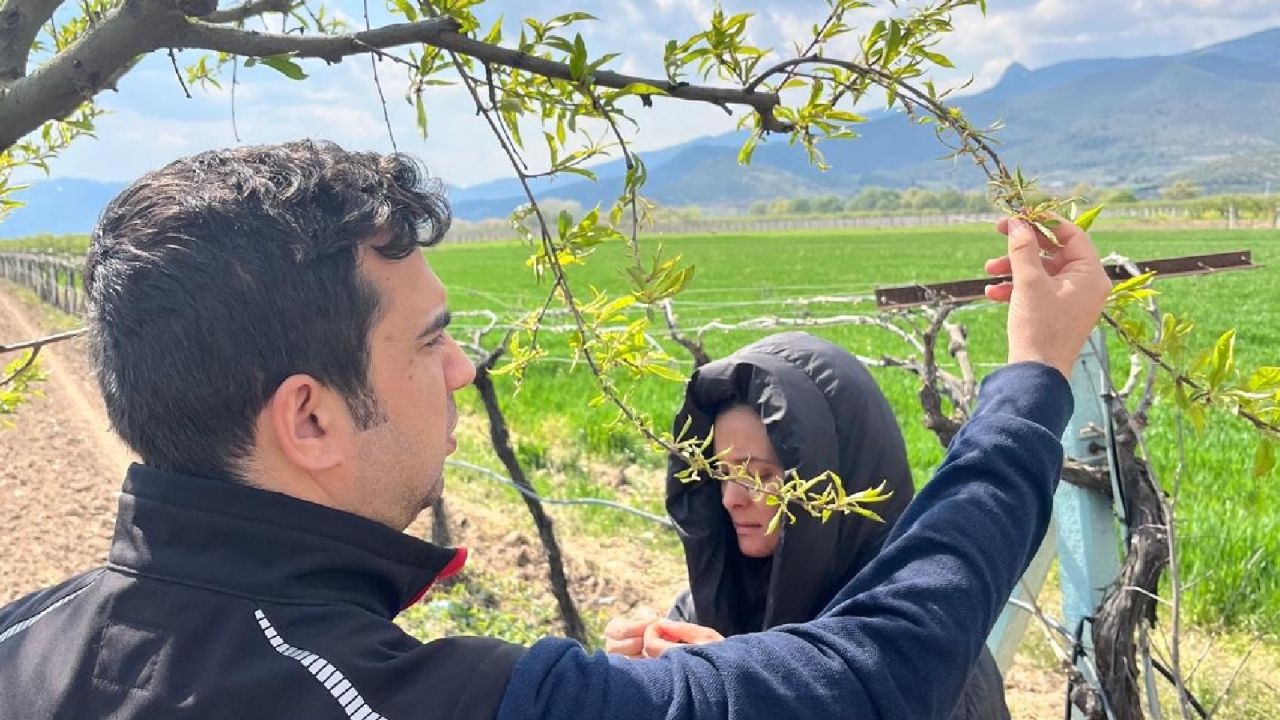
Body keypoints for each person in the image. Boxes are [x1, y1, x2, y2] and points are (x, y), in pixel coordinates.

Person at [0, 140, 1111, 720]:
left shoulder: (27, 639)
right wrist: (1032, 374)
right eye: (429, 340)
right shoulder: (394, 696)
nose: (462, 366)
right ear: (310, 416)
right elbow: (874, 672)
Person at [604, 332, 1010, 719]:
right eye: (722, 473)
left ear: (836, 486)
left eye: (760, 476)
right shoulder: (706, 606)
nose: (731, 498)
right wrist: (634, 686)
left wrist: (741, 691)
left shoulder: (919, 644)